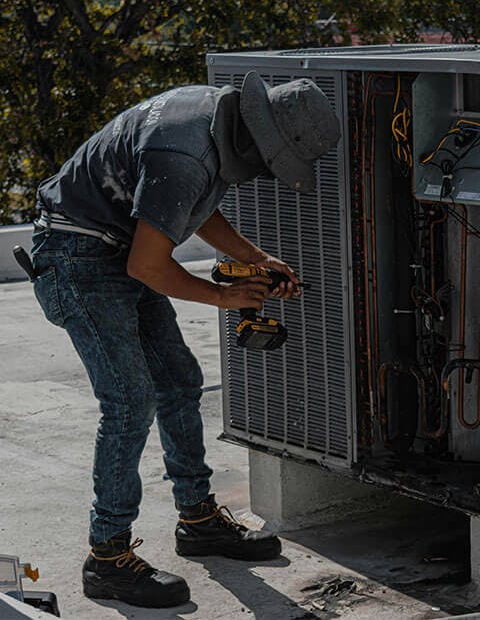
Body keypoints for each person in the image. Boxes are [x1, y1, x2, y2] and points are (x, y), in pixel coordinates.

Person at [30, 72, 341, 608]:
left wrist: (254, 259)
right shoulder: (185, 152)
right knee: (130, 401)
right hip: (76, 257)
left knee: (179, 381)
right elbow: (148, 264)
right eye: (272, 164)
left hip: (111, 245)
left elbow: (187, 206)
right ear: (260, 142)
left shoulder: (211, 115)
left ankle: (198, 522)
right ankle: (106, 558)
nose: (266, 175)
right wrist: (224, 297)